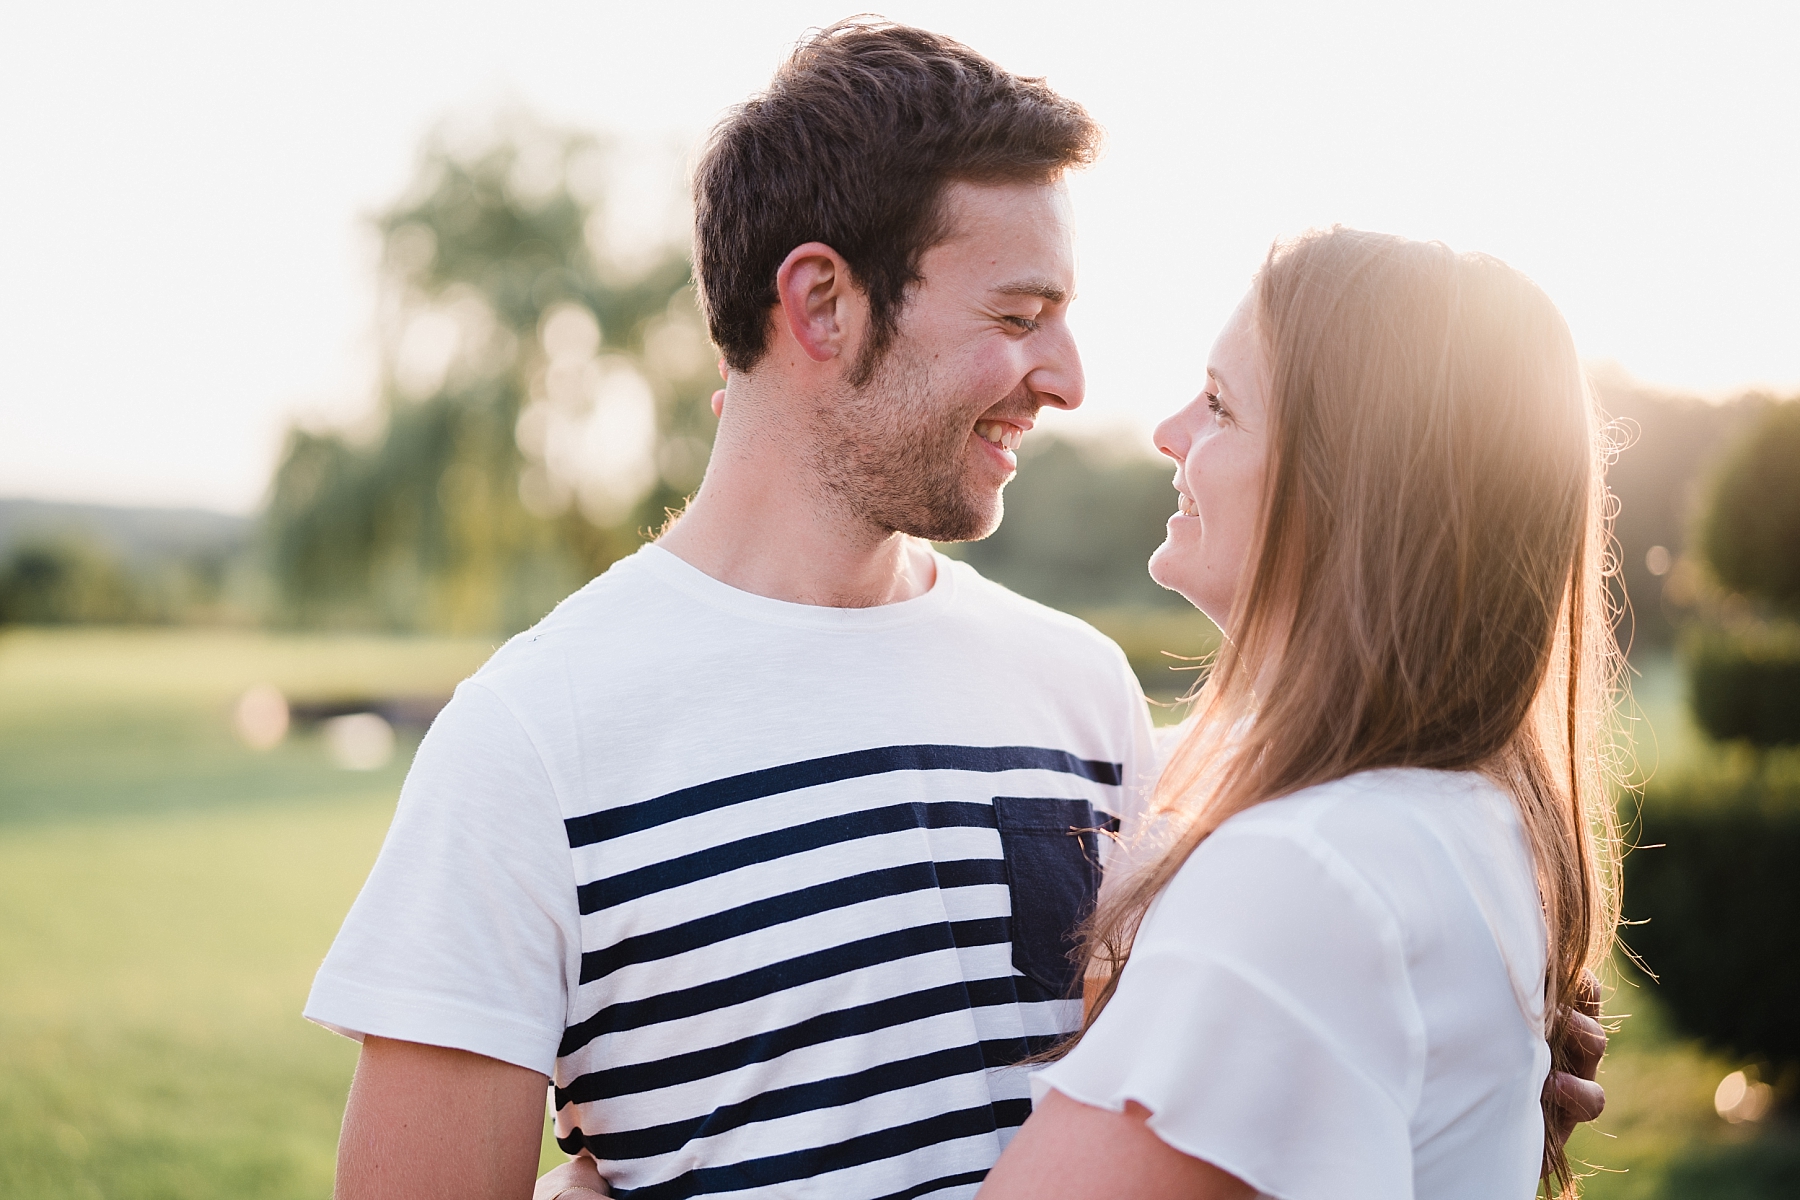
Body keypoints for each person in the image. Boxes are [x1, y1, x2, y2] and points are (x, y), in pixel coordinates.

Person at [306, 23, 1606, 1200]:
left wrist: (1448, 1050)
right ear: (823, 303)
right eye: (1018, 315)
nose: (1068, 377)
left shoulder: (1081, 690)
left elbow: (1234, 1069)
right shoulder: (528, 747)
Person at [976, 228, 1620, 1200]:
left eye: (1222, 404)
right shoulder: (1458, 816)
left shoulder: (1303, 871)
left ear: (1353, 490)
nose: (1168, 430)